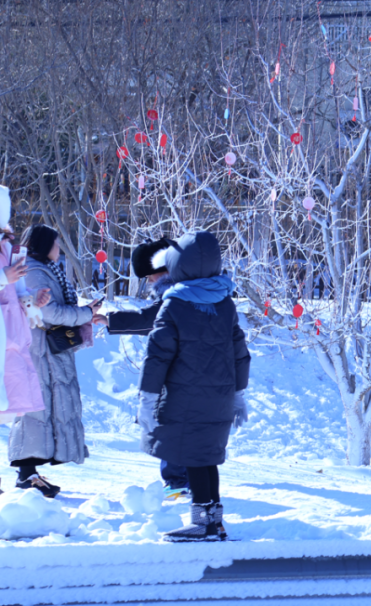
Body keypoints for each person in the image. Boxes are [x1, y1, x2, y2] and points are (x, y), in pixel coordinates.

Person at [137, 232, 250, 542]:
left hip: (184, 397)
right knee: (207, 457)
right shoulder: (225, 303)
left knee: (194, 458)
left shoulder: (174, 304)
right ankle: (214, 521)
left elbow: (157, 356)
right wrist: (239, 394)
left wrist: (147, 397)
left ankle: (203, 523)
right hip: (220, 397)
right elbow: (240, 353)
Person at [8, 224, 105, 498]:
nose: (59, 248)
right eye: (56, 243)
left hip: (46, 350)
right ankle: (26, 475)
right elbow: (49, 312)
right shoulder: (35, 270)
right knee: (34, 410)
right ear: (44, 244)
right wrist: (85, 313)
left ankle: (29, 474)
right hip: (38, 350)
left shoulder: (43, 268)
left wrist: (86, 312)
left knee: (42, 409)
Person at [105, 238, 189, 498]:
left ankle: (176, 481)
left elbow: (151, 319)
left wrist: (110, 320)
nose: (149, 281)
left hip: (178, 369)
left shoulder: (175, 293)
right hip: (191, 368)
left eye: (149, 275)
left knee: (170, 423)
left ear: (162, 269)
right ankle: (184, 479)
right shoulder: (188, 286)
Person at [0, 188, 49, 495]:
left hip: (11, 334)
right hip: (5, 333)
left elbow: (16, 290)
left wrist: (34, 301)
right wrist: (4, 277)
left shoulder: (6, 246)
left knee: (4, 403)